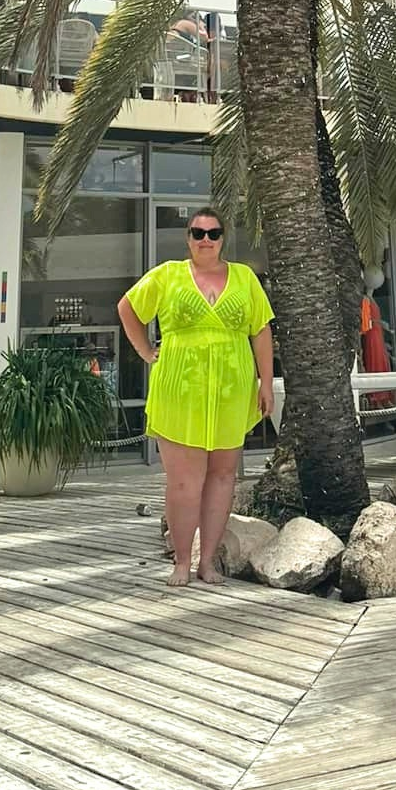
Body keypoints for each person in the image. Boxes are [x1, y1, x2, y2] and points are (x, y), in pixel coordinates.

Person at [117, 210, 274, 587]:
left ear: (223, 238)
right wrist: (145, 351)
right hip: (180, 388)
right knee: (184, 482)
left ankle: (208, 563)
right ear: (188, 238)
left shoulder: (244, 277)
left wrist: (266, 383)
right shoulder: (167, 274)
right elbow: (127, 308)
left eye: (213, 233)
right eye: (198, 233)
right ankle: (182, 562)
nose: (206, 239)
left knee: (222, 476)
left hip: (231, 390)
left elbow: (261, 330)